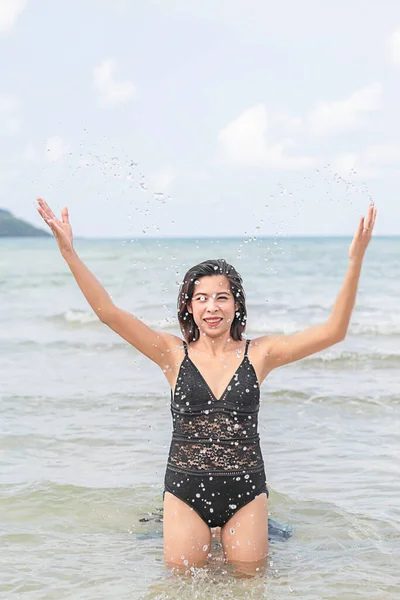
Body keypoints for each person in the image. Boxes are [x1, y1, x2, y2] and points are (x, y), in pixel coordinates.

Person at [36, 197, 377, 573]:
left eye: (221, 297)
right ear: (189, 307)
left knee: (250, 585)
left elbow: (334, 332)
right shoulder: (171, 354)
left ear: (236, 306)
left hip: (246, 492)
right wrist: (69, 252)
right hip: (184, 491)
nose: (211, 307)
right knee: (180, 585)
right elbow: (108, 314)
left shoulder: (260, 354)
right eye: (201, 298)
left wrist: (355, 259)